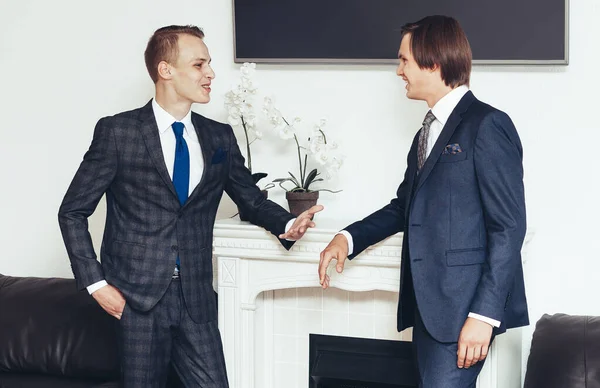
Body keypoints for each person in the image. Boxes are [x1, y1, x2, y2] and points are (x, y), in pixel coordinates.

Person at [58, 25, 321, 388]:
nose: (210, 73)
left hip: (196, 301)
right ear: (166, 70)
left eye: (209, 64)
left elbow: (250, 200)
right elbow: (72, 211)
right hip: (137, 301)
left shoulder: (219, 137)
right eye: (199, 65)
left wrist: (288, 224)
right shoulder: (119, 133)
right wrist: (95, 283)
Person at [318, 15, 528, 388]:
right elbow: (405, 206)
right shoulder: (425, 132)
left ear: (432, 61)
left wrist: (484, 315)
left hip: (465, 313)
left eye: (404, 60)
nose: (399, 70)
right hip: (430, 311)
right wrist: (346, 239)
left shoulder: (488, 125)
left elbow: (509, 227)